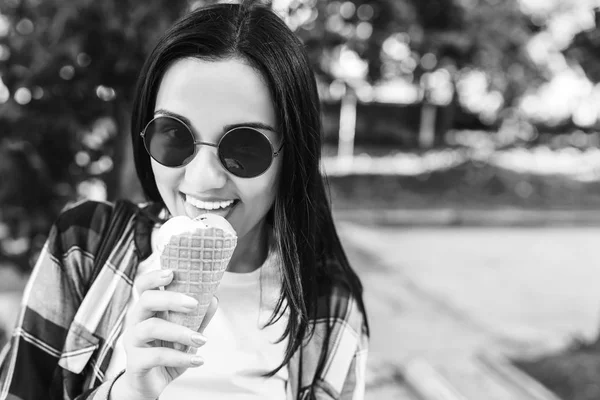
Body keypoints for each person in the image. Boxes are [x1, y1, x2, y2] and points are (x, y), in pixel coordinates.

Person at [0, 1, 369, 399]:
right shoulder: (82, 249)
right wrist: (129, 392)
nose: (203, 179)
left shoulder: (331, 308)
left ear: (292, 155)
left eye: (245, 147)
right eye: (174, 135)